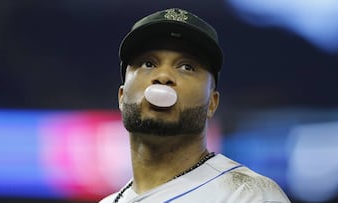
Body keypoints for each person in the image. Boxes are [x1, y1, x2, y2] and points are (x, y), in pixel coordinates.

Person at [100, 8, 291, 203]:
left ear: (212, 103)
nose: (163, 76)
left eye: (187, 67)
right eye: (148, 64)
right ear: (122, 96)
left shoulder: (249, 195)